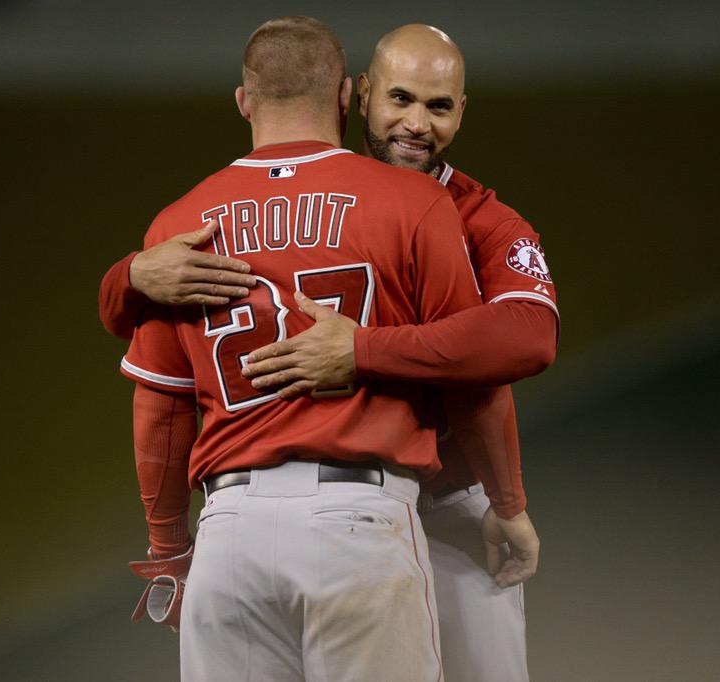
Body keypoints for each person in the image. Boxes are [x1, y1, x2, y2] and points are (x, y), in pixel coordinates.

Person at [102, 23, 556, 682]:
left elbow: (527, 335)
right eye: (401, 99)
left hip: (430, 503)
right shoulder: (404, 207)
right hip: (369, 514)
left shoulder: (478, 214)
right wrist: (128, 278)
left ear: (462, 113)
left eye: (438, 106)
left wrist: (365, 350)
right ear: (357, 97)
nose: (416, 124)